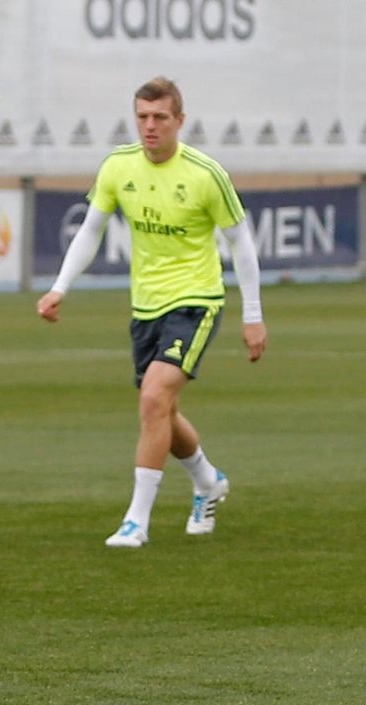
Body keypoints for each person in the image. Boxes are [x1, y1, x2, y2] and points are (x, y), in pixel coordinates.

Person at [37, 76, 266, 549]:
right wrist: (60, 286)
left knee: (153, 398)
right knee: (162, 408)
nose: (150, 126)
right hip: (145, 307)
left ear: (180, 121)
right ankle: (207, 481)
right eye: (142, 116)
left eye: (160, 117)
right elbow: (91, 229)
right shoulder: (118, 167)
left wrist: (253, 314)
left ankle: (136, 521)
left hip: (197, 302)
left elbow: (241, 241)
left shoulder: (205, 174)